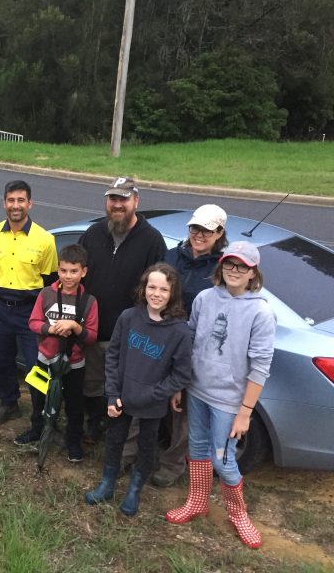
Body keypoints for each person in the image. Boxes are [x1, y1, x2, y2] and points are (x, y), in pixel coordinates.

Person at [166, 241, 275, 549]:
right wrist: (179, 385)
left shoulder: (260, 312)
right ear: (221, 266)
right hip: (197, 390)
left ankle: (238, 513)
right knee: (198, 450)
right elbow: (191, 342)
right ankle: (197, 501)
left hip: (229, 401)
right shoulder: (204, 298)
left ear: (253, 271)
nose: (234, 270)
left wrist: (245, 412)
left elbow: (260, 367)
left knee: (223, 458)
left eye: (241, 266)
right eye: (229, 264)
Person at [85, 263, 192, 516]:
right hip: (120, 399)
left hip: (151, 405)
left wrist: (153, 395)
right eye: (151, 287)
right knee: (114, 441)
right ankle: (107, 484)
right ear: (143, 289)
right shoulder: (129, 317)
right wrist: (112, 393)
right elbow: (112, 356)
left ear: (172, 293)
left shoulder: (179, 331)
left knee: (146, 447)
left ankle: (134, 490)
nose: (156, 294)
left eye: (164, 289)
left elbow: (181, 374)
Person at [78, 177, 166, 442]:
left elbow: (159, 292)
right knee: (92, 386)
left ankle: (119, 437)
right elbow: (75, 276)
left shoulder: (152, 241)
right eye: (113, 199)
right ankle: (94, 426)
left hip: (130, 337)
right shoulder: (92, 234)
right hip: (93, 333)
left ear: (135, 202)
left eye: (123, 199)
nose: (117, 204)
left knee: (121, 390)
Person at [150, 204, 228, 487]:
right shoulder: (172, 256)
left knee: (181, 408)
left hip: (194, 347)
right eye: (195, 228)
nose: (199, 234)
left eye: (207, 230)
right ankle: (144, 452)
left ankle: (172, 465)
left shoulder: (222, 268)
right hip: (159, 339)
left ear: (219, 232)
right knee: (153, 396)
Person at [0, 180, 58, 425]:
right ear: (4, 203)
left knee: (35, 364)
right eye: (11, 200)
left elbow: (50, 281)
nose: (15, 206)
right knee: (2, 359)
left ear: (30, 203)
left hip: (31, 309)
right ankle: (8, 403)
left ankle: (41, 414)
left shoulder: (45, 240)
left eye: (21, 200)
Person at [26, 244, 99, 460]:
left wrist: (76, 327)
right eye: (64, 270)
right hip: (44, 359)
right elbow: (33, 322)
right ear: (58, 270)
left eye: (74, 271)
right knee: (39, 398)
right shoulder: (46, 294)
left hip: (74, 364)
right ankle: (37, 430)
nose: (68, 276)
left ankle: (73, 441)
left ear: (83, 272)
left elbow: (92, 336)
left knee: (75, 405)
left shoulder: (89, 301)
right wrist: (50, 329)